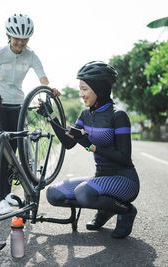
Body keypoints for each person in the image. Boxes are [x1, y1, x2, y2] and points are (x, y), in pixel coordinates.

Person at [37, 61, 139, 238]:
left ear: (98, 88)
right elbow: (69, 143)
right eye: (80, 89)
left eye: (84, 89)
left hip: (124, 179)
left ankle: (126, 211)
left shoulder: (118, 116)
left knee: (83, 193)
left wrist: (90, 145)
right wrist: (50, 116)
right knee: (53, 194)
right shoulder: (85, 114)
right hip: (100, 177)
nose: (81, 94)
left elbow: (124, 158)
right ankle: (105, 209)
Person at [0, 13, 59, 214]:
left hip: (19, 106)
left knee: (13, 155)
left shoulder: (31, 56)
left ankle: (7, 195)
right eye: (17, 39)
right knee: (0, 153)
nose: (20, 43)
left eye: (25, 39)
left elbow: (43, 79)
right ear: (8, 35)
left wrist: (50, 89)